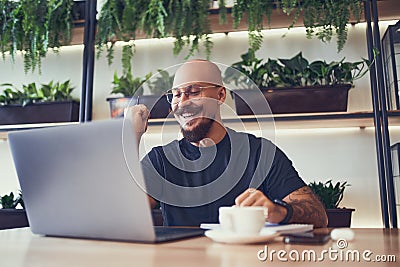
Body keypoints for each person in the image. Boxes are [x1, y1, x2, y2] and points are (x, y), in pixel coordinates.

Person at [126, 59, 328, 228]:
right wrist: (130, 137)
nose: (182, 102)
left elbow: (318, 215)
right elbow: (123, 214)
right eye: (176, 94)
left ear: (220, 95)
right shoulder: (161, 160)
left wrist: (278, 211)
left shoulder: (260, 153)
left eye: (194, 91)